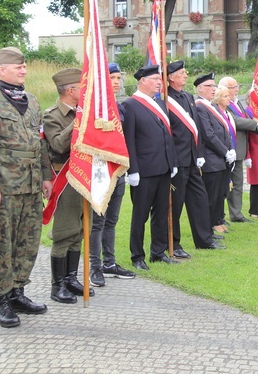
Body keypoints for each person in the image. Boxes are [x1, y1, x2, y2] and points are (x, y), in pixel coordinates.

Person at [0, 47, 53, 328]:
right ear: (1, 70)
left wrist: (45, 176)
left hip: (30, 186)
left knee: (28, 243)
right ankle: (0, 298)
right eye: (17, 67)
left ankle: (18, 292)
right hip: (4, 187)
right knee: (2, 244)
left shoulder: (32, 101)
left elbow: (40, 142)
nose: (23, 70)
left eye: (24, 66)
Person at [42, 68, 96, 303]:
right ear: (71, 90)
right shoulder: (52, 115)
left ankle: (71, 277)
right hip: (66, 181)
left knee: (80, 230)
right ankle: (58, 285)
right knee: (64, 233)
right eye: (81, 88)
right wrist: (78, 121)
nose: (84, 92)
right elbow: (57, 145)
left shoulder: (84, 112)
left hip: (84, 178)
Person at [121, 64, 178, 270]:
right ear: (143, 81)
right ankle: (137, 255)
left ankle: (158, 251)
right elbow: (129, 140)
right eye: (155, 79)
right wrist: (132, 169)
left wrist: (172, 162)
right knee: (140, 215)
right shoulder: (131, 104)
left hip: (163, 167)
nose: (159, 83)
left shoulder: (160, 104)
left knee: (161, 212)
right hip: (144, 171)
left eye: (159, 80)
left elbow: (167, 136)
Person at [167, 62, 223, 255]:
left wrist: (199, 154)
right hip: (177, 160)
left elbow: (195, 129)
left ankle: (204, 240)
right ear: (171, 77)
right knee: (175, 204)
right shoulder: (165, 99)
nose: (185, 75)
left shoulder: (188, 97)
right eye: (182, 73)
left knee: (199, 198)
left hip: (191, 159)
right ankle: (173, 244)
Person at [89, 62, 136, 286]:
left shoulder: (120, 107)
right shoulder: (93, 107)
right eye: (112, 77)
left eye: (118, 78)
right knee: (97, 221)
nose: (116, 82)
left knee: (112, 220)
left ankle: (109, 262)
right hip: (99, 170)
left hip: (117, 170)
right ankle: (94, 265)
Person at [194, 75, 235, 235]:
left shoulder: (211, 106)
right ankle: (211, 223)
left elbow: (225, 130)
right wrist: (225, 151)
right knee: (212, 194)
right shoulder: (200, 106)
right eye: (209, 86)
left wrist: (229, 150)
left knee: (220, 192)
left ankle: (218, 220)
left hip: (221, 158)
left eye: (214, 85)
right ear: (200, 88)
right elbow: (209, 135)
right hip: (211, 157)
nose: (213, 89)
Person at [220, 76, 258, 222]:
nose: (237, 90)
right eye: (234, 87)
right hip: (229, 149)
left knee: (238, 184)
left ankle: (236, 214)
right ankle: (221, 216)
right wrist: (256, 124)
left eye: (237, 87)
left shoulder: (237, 103)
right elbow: (234, 121)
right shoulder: (222, 103)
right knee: (226, 184)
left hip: (239, 149)